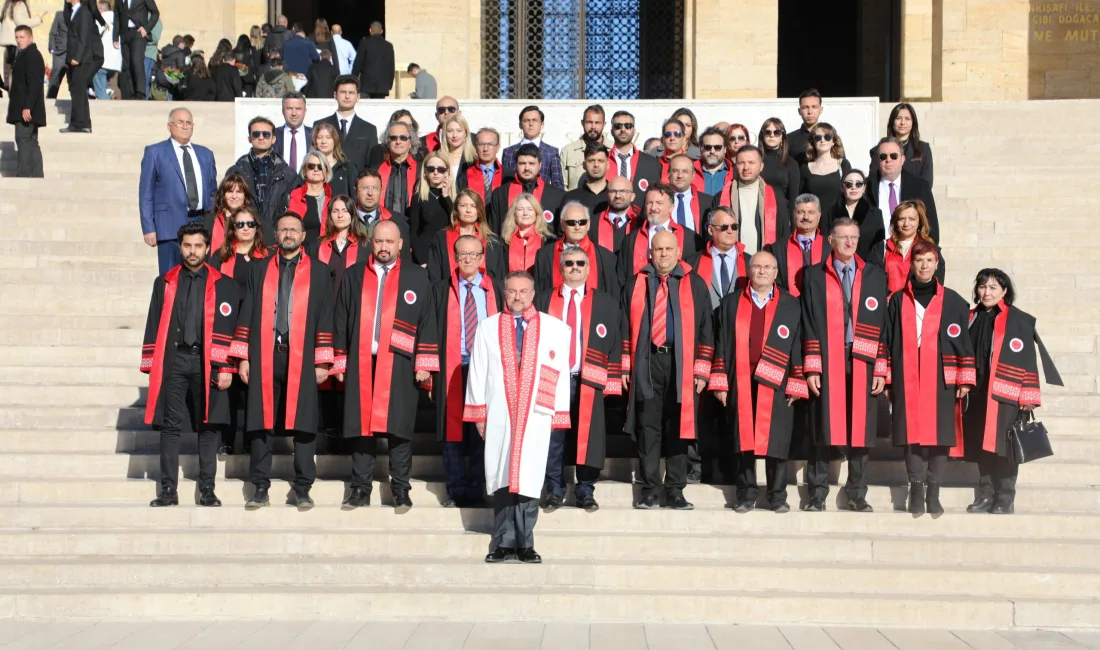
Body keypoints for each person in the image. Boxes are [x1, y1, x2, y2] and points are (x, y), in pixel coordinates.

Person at [465, 271, 572, 564]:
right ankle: (501, 542)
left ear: (533, 294)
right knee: (501, 475)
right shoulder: (488, 328)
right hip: (500, 411)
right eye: (512, 291)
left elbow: (559, 373)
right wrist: (478, 411)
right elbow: (478, 370)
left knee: (530, 476)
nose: (517, 297)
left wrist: (557, 413)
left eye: (523, 291)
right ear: (504, 293)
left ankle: (525, 543)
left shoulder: (555, 329)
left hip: (536, 414)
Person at [331, 219, 435, 512]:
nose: (384, 247)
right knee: (360, 426)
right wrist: (339, 362)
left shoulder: (416, 277)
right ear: (371, 243)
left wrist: (425, 362)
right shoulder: (353, 276)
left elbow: (427, 321)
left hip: (401, 361)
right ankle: (360, 489)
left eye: (390, 242)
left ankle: (401, 489)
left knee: (399, 427)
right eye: (379, 242)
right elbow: (340, 320)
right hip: (361, 359)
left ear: (401, 244)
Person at [234, 212, 335, 511]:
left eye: (294, 229)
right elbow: (247, 312)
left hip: (302, 356)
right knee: (259, 421)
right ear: (275, 235)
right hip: (265, 353)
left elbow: (325, 317)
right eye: (283, 229)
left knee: (304, 422)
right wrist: (243, 357)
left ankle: (303, 487)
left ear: (304, 235)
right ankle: (260, 487)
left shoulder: (319, 271)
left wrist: (323, 361)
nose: (288, 234)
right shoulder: (259, 269)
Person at [140, 223, 236, 508]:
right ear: (179, 247)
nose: (192, 251)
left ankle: (207, 489)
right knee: (170, 427)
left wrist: (226, 367)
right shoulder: (165, 282)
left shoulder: (224, 285)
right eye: (187, 245)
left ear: (208, 248)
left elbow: (230, 329)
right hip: (174, 361)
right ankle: (168, 490)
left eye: (198, 246)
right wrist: (150, 364)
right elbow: (154, 322)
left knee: (208, 426)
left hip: (208, 362)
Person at [881, 240, 975, 516]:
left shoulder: (955, 302)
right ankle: (916, 488)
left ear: (937, 264)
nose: (924, 265)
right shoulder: (897, 300)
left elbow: (964, 344)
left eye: (929, 260)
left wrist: (965, 379)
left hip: (941, 376)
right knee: (911, 433)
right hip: (906, 374)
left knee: (940, 433)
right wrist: (886, 378)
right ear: (912, 263)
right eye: (919, 260)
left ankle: (933, 489)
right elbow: (886, 340)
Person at [801, 218, 888, 512]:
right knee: (823, 426)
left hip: (863, 359)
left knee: (861, 429)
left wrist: (880, 366)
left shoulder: (875, 275)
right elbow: (808, 321)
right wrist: (812, 364)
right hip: (828, 359)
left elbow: (883, 325)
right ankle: (817, 492)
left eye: (854, 237)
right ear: (830, 241)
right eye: (843, 237)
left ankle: (857, 492)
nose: (849, 243)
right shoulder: (813, 275)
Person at [621, 229, 712, 510]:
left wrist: (702, 369)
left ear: (678, 252)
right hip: (646, 362)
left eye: (668, 249)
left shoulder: (693, 283)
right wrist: (625, 364)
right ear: (651, 252)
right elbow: (624, 323)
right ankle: (649, 489)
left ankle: (675, 489)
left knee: (678, 427)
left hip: (680, 363)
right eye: (658, 249)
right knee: (648, 427)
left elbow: (706, 327)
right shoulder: (637, 282)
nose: (663, 254)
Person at [710, 250, 807, 513]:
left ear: (777, 273)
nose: (762, 271)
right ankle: (745, 493)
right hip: (740, 379)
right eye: (757, 266)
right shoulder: (731, 303)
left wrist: (797, 379)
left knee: (777, 439)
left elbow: (798, 344)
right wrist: (719, 380)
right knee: (743, 439)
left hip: (777, 380)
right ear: (749, 271)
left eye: (768, 267)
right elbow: (720, 343)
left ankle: (777, 495)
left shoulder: (791, 304)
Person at [962, 268, 1061, 515]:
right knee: (981, 445)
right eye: (983, 286)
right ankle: (985, 495)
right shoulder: (969, 317)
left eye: (993, 287)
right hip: (977, 394)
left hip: (1006, 392)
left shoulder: (1018, 319)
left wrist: (1028, 396)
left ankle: (1005, 497)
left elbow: (1028, 359)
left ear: (1005, 291)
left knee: (1006, 448)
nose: (987, 292)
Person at [534, 246, 622, 511]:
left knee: (590, 435)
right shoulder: (544, 299)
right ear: (560, 268)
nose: (575, 267)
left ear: (589, 268)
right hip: (553, 379)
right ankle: (554, 488)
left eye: (580, 263)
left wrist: (613, 378)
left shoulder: (605, 302)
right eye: (569, 263)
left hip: (588, 378)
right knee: (553, 437)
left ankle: (585, 489)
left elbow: (615, 342)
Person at [428, 234, 502, 508]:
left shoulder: (497, 288)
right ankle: (456, 490)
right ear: (455, 258)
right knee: (453, 431)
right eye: (462, 255)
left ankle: (476, 488)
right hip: (452, 365)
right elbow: (429, 329)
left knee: (482, 431)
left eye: (474, 254)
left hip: (486, 368)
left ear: (482, 259)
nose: (468, 259)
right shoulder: (440, 289)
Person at [683, 205, 749, 483]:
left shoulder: (752, 261)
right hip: (702, 341)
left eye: (734, 227)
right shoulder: (694, 261)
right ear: (710, 230)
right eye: (724, 227)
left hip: (738, 343)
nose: (731, 232)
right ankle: (697, 465)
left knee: (733, 405)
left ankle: (731, 466)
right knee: (701, 407)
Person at [140, 108, 218, 274]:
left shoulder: (205, 154)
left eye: (188, 123)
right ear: (170, 126)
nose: (185, 126)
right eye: (180, 122)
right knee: (171, 280)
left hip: (200, 223)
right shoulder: (155, 152)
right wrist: (149, 227)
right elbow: (146, 193)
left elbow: (212, 191)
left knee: (199, 279)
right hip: (169, 227)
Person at [225, 116, 297, 241]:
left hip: (276, 237)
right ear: (249, 138)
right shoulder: (235, 171)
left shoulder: (288, 174)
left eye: (266, 134)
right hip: (244, 235)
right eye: (256, 134)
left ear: (273, 139)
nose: (261, 137)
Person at [616, 183, 699, 287]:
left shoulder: (690, 238)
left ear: (671, 208)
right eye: (649, 203)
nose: (653, 208)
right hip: (640, 296)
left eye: (659, 203)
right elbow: (622, 277)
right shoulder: (630, 240)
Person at [866, 136, 939, 244]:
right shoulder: (866, 188)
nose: (888, 160)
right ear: (878, 160)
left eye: (894, 156)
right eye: (883, 156)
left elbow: (931, 226)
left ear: (902, 159)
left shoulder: (920, 186)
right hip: (877, 254)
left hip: (911, 255)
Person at [719, 145, 790, 255]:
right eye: (741, 163)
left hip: (765, 262)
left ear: (761, 166)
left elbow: (784, 233)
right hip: (732, 261)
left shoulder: (776, 196)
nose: (746, 167)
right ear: (735, 166)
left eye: (751, 163)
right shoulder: (722, 196)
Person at [533, 201, 617, 294]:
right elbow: (539, 295)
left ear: (588, 224)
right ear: (562, 225)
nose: (577, 227)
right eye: (571, 222)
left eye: (582, 222)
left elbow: (612, 297)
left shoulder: (605, 257)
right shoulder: (544, 256)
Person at [488, 143, 564, 234]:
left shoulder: (556, 195)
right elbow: (493, 231)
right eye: (522, 163)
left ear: (540, 165)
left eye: (531, 163)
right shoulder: (500, 194)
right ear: (516, 164)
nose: (527, 168)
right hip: (508, 246)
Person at [768, 194, 831, 297]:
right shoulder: (777, 249)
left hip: (822, 306)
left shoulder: (830, 247)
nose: (806, 217)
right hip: (789, 306)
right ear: (794, 215)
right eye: (800, 212)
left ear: (819, 216)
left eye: (811, 212)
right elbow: (774, 282)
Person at [313, 75, 379, 173]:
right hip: (326, 183)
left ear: (358, 96)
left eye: (351, 93)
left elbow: (373, 165)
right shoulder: (320, 125)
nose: (347, 96)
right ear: (335, 95)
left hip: (356, 184)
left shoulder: (369, 129)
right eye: (343, 92)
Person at [6, 25, 44, 178]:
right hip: (25, 107)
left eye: (22, 37)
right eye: (17, 37)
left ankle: (23, 175)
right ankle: (36, 175)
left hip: (26, 109)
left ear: (30, 38)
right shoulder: (24, 55)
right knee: (30, 141)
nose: (19, 40)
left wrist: (27, 106)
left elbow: (34, 83)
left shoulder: (32, 55)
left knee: (23, 139)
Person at [61, 0, 103, 134]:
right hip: (74, 58)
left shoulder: (84, 13)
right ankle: (80, 123)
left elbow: (83, 38)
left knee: (79, 91)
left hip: (82, 60)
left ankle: (81, 123)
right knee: (77, 91)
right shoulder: (73, 12)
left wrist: (77, 57)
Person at [826, 169, 886, 263]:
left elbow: (878, 246)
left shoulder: (875, 214)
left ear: (864, 188)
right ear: (842, 188)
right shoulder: (830, 212)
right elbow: (825, 243)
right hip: (836, 265)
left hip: (867, 268)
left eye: (858, 184)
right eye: (849, 184)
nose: (854, 188)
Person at [884, 200, 944, 293]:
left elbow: (937, 286)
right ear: (895, 222)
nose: (906, 224)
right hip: (888, 304)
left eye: (912, 219)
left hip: (916, 304)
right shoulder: (882, 248)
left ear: (919, 221)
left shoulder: (931, 250)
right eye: (901, 219)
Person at [871, 102, 934, 188]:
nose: (902, 122)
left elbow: (927, 183)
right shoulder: (879, 150)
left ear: (913, 122)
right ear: (892, 121)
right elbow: (873, 181)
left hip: (914, 199)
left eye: (907, 119)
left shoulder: (923, 149)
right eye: (898, 118)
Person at [500, 105, 564, 188]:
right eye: (526, 120)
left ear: (542, 124)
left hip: (543, 199)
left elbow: (558, 184)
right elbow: (505, 184)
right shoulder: (508, 152)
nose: (531, 124)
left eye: (535, 120)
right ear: (520, 124)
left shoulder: (551, 152)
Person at [607, 110, 659, 207]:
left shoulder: (651, 163)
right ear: (611, 131)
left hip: (640, 219)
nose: (623, 129)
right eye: (618, 126)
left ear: (634, 130)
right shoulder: (603, 161)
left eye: (628, 126)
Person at [409, 151, 454, 263]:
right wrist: (421, 260)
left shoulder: (454, 198)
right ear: (425, 172)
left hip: (448, 254)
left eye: (440, 169)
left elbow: (456, 222)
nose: (435, 172)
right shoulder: (418, 198)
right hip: (425, 254)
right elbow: (413, 233)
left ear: (446, 172)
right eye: (431, 169)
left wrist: (446, 196)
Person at [353, 169, 412, 251]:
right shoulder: (343, 220)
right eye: (365, 188)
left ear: (381, 192)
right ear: (355, 191)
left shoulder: (397, 222)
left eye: (375, 188)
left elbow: (404, 258)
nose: (370, 193)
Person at [799, 122, 852, 214]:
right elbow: (801, 198)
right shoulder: (805, 168)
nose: (822, 140)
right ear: (813, 142)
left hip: (838, 219)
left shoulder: (843, 164)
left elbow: (851, 193)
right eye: (818, 138)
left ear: (833, 141)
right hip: (813, 220)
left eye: (827, 137)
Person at [286, 150, 332, 247]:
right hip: (299, 251)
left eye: (320, 167)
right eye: (311, 166)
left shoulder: (333, 197)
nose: (316, 169)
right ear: (305, 170)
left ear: (326, 171)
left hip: (326, 251)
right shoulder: (294, 195)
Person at [111, 0, 156, 99]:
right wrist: (115, 37)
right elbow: (117, 17)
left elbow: (155, 13)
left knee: (136, 61)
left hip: (138, 33)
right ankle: (131, 92)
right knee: (127, 65)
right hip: (125, 34)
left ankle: (140, 92)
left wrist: (146, 28)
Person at [373, 119, 419, 216]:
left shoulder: (421, 170)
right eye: (393, 138)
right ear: (387, 142)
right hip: (383, 225)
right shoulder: (375, 171)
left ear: (411, 142)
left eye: (403, 138)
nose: (398, 142)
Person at [560, 104, 610, 190]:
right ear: (582, 123)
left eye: (597, 122)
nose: (593, 127)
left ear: (604, 124)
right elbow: (562, 186)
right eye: (589, 122)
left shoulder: (613, 150)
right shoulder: (568, 151)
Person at [501, 193, 551, 274]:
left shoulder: (548, 242)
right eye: (520, 209)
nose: (525, 213)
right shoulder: (504, 242)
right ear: (514, 214)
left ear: (536, 213)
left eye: (530, 209)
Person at [758, 118, 801, 211]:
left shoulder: (790, 163)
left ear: (783, 137)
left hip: (782, 213)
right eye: (767, 132)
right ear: (762, 135)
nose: (772, 135)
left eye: (777, 132)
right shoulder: (755, 161)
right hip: (758, 212)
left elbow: (794, 199)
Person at [203, 173, 252, 253]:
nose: (234, 196)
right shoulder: (210, 219)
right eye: (230, 191)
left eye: (239, 192)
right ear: (223, 195)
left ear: (245, 196)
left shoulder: (252, 219)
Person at [561, 141, 610, 219]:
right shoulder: (570, 198)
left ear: (608, 165)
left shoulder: (615, 197)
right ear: (584, 165)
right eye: (591, 161)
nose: (596, 165)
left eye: (600, 161)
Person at [456, 126, 503, 207]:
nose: (485, 149)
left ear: (498, 148)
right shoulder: (465, 176)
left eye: (490, 144)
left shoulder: (508, 175)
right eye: (481, 144)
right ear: (475, 147)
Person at [667, 154, 713, 232]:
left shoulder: (707, 202)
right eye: (675, 171)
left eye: (685, 171)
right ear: (668, 174)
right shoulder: (659, 200)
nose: (680, 176)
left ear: (693, 175)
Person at [592, 176, 638, 253]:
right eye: (613, 191)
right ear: (607, 195)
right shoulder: (592, 224)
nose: (617, 196)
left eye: (623, 191)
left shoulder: (640, 224)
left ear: (632, 197)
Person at [351, 20, 394, 98]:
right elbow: (391, 66)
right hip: (382, 86)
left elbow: (358, 63)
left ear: (370, 30)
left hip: (366, 85)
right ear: (381, 31)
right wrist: (389, 84)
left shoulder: (364, 43)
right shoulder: (389, 46)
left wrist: (353, 79)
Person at [313, 122, 356, 197]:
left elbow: (354, 196)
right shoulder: (310, 167)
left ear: (335, 140)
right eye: (319, 137)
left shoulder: (347, 167)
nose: (323, 141)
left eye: (328, 137)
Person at [274, 91, 310, 174]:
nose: (294, 113)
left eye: (298, 109)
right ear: (283, 111)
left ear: (305, 111)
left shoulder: (314, 135)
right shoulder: (273, 135)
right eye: (289, 108)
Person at [786, 88, 823, 165]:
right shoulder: (789, 139)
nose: (810, 112)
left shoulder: (829, 137)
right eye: (805, 107)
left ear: (821, 110)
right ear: (799, 111)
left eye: (814, 107)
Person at [93, 0, 119, 100]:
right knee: (109, 90)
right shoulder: (118, 20)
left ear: (101, 10)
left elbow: (94, 35)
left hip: (103, 61)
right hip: (115, 63)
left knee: (100, 92)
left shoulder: (102, 19)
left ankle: (109, 112)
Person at [440, 114, 475, 186]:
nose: (454, 135)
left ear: (465, 133)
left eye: (459, 131)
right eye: (450, 131)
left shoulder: (475, 159)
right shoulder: (438, 158)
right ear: (445, 134)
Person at [698, 127, 732, 197]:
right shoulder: (690, 171)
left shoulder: (734, 174)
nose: (712, 151)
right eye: (707, 147)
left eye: (717, 147)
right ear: (701, 148)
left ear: (725, 149)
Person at [46, 9, 67, 99]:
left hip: (75, 53)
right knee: (55, 79)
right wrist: (52, 49)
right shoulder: (60, 15)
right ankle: (49, 101)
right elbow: (53, 32)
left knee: (75, 81)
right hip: (60, 53)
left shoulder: (82, 15)